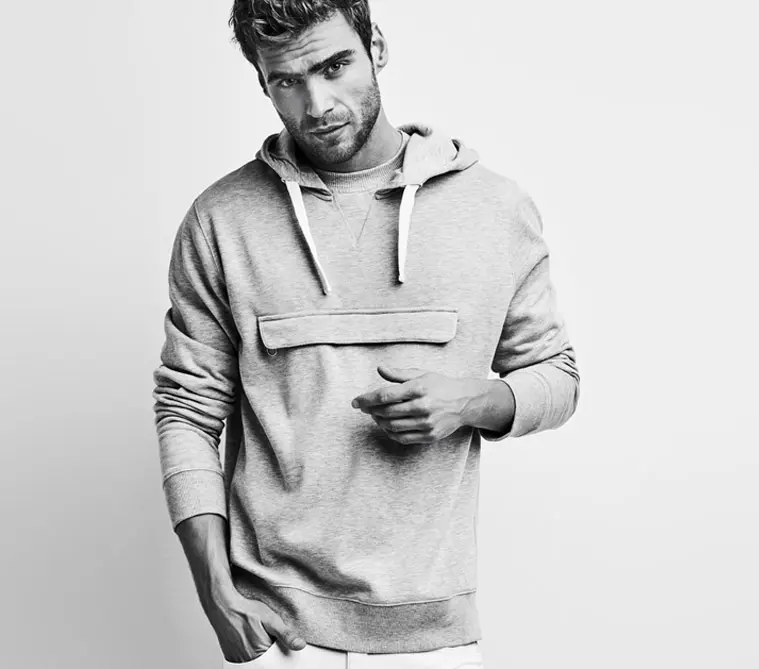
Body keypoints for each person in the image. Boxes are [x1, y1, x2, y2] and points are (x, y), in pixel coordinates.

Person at [152, 1, 580, 666]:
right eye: (287, 81)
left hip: (431, 636)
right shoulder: (222, 219)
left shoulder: (493, 208)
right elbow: (186, 408)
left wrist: (471, 400)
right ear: (262, 82)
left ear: (376, 47)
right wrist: (215, 591)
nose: (317, 104)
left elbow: (557, 375)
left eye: (334, 66)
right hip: (278, 632)